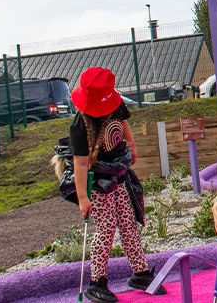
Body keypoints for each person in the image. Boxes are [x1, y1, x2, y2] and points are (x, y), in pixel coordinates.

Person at [69, 67, 164, 303]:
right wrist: (83, 197)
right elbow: (80, 165)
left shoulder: (115, 104)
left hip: (119, 175)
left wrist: (131, 145)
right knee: (107, 227)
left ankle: (140, 272)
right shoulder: (81, 126)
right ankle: (96, 282)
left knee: (128, 223)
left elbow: (122, 124)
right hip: (99, 184)